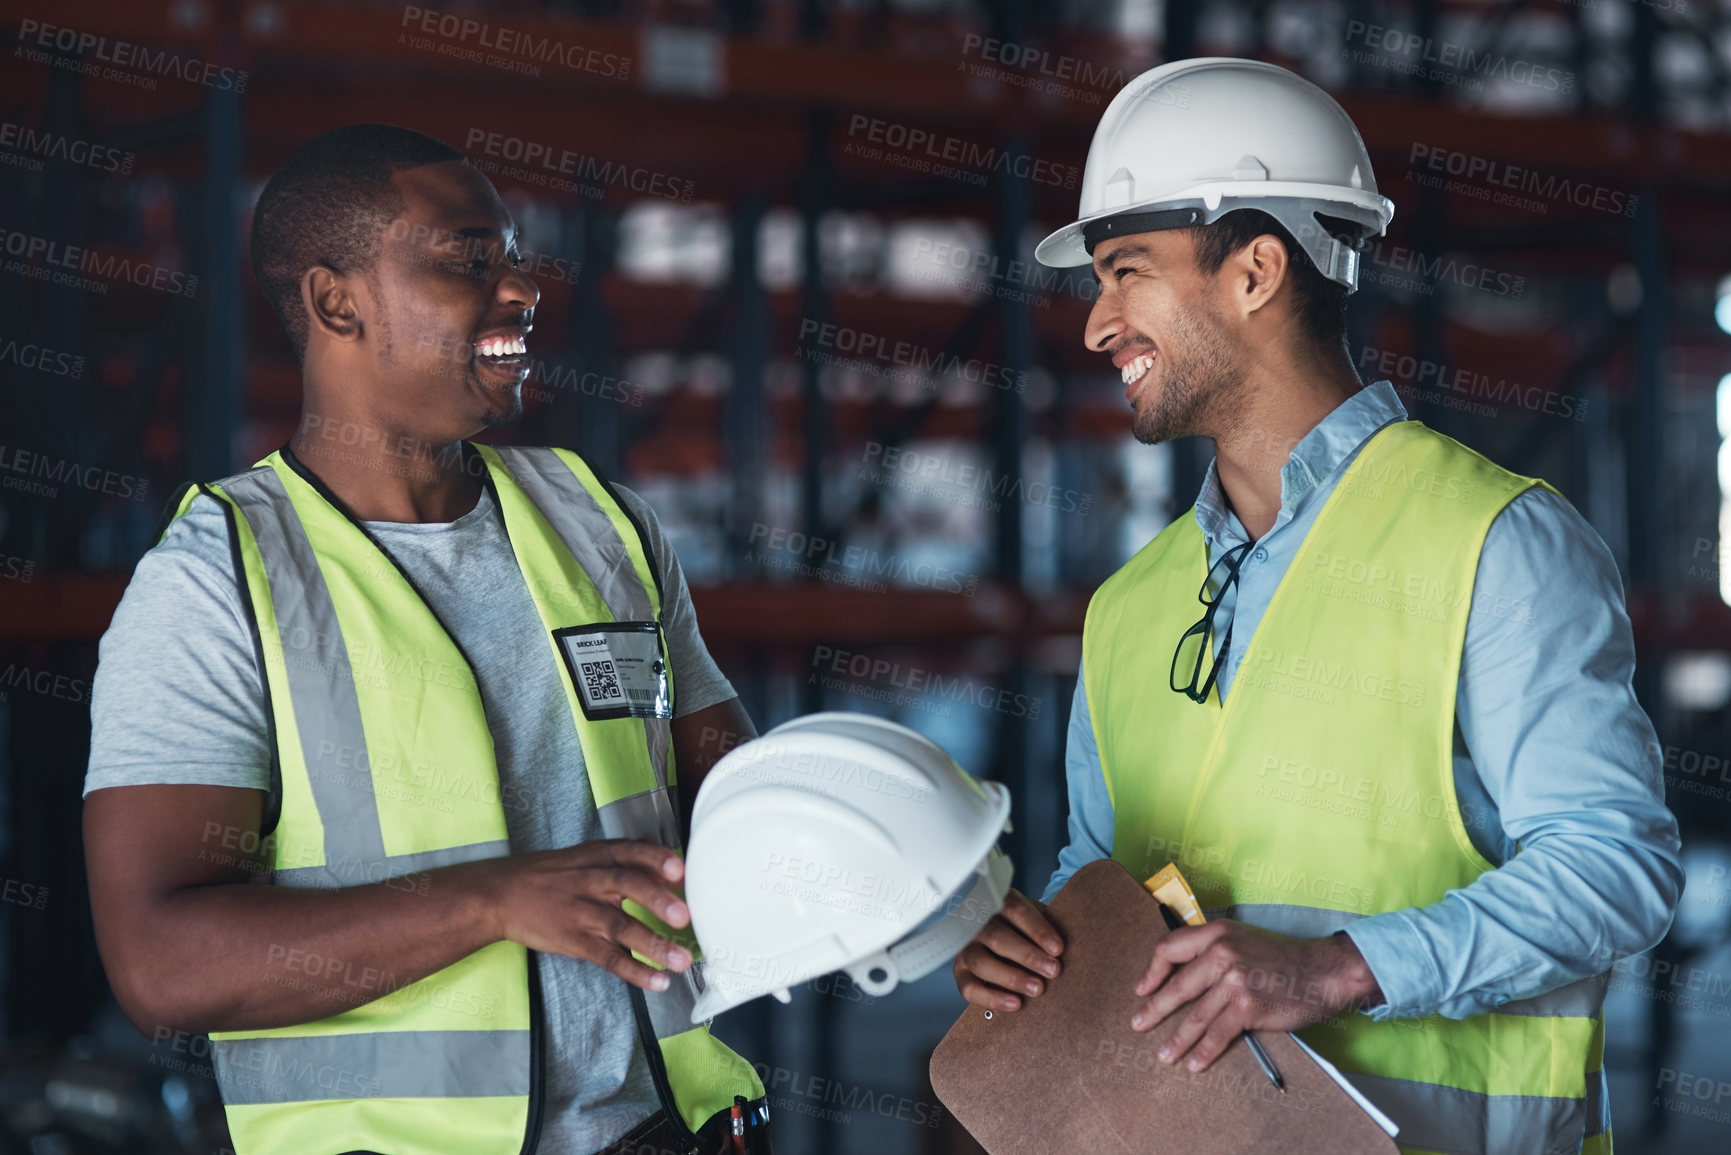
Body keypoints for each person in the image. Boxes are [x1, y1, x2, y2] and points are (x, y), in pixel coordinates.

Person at [951, 59, 1681, 1155]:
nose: (1099, 325)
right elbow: (1102, 876)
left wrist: (1339, 966)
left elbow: (1615, 870)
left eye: (1126, 272)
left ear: (1254, 272)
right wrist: (1035, 946)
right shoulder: (1130, 607)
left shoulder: (1494, 542)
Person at [82, 124, 769, 1155]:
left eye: (513, 257)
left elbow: (737, 798)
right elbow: (159, 965)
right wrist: (490, 902)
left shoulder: (600, 522)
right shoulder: (217, 581)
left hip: (666, 1132)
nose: (520, 290)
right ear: (336, 302)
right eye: (467, 260)